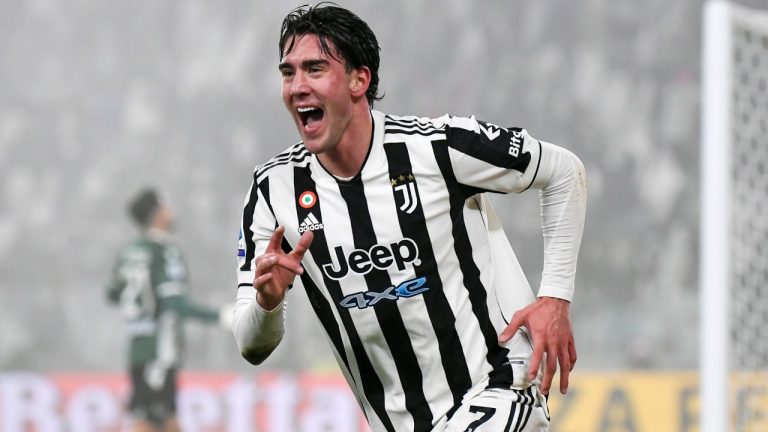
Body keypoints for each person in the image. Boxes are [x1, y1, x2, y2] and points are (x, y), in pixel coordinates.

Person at [233, 4, 587, 431]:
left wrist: (554, 298)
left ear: (358, 80)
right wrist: (267, 303)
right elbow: (251, 344)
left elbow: (563, 172)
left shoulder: (437, 147)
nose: (297, 87)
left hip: (497, 388)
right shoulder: (273, 191)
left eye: (315, 69)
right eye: (289, 73)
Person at [107, 188, 232, 432]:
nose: (170, 211)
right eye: (165, 205)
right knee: (153, 420)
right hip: (160, 349)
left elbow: (112, 294)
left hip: (138, 347)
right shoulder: (164, 251)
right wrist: (221, 317)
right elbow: (174, 301)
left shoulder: (129, 251)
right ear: (156, 213)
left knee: (163, 418)